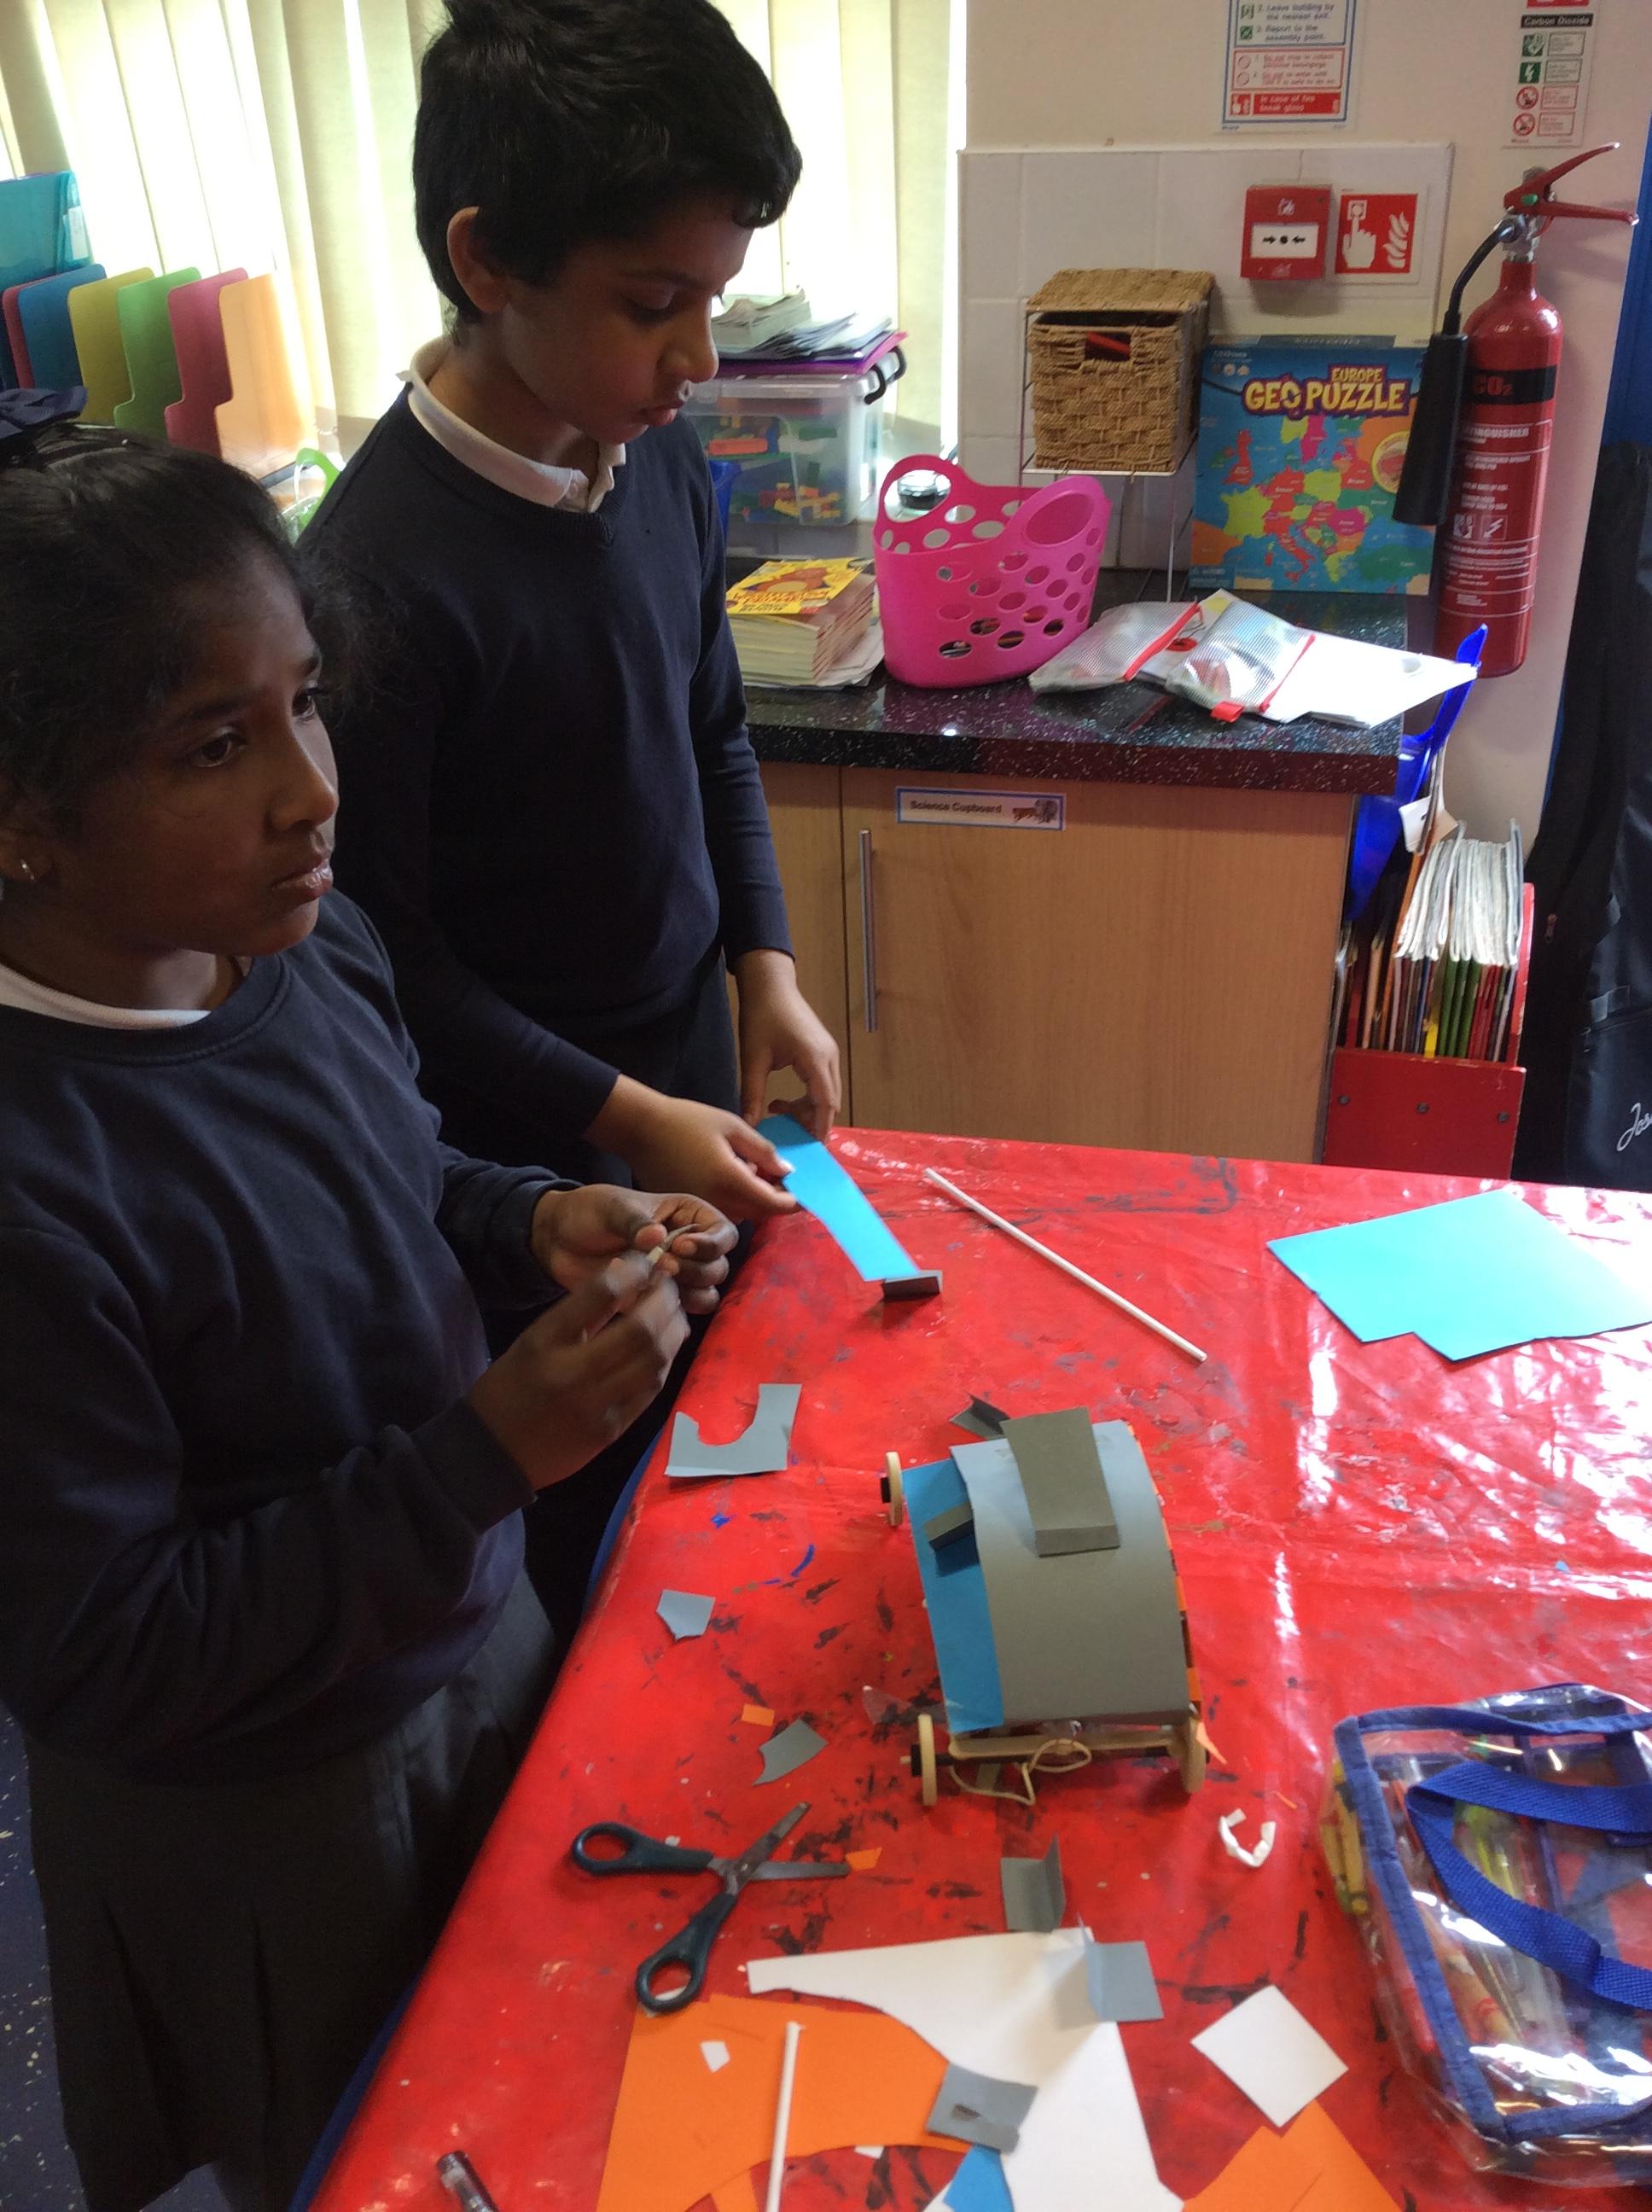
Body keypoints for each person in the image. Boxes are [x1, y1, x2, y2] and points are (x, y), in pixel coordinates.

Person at [0, 416, 736, 2212]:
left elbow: (392, 1162)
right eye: (214, 745)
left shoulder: (301, 942)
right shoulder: (34, 1187)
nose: (311, 791)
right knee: (365, 2154)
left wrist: (529, 1215)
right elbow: (111, 1651)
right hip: (271, 1810)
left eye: (308, 705)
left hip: (467, 1632)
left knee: (547, 2076)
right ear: (23, 823)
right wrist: (485, 1457)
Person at [307, 0, 841, 1630]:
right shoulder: (372, 582)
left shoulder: (654, 455)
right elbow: (388, 962)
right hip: (523, 1152)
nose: (700, 361)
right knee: (585, 1525)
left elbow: (713, 730)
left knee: (726, 1470)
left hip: (678, 1072)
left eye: (717, 302)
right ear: (487, 262)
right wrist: (623, 1115)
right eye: (655, 306)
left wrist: (764, 965)